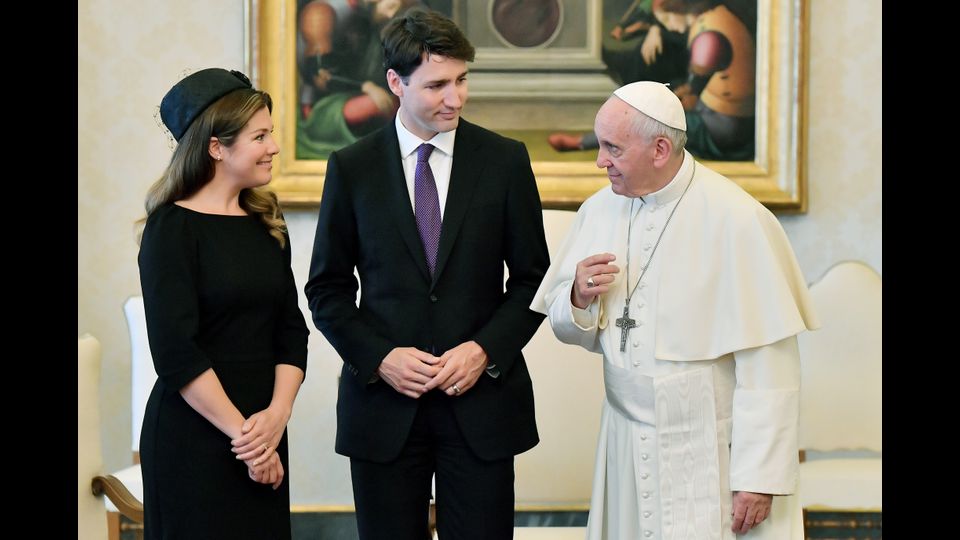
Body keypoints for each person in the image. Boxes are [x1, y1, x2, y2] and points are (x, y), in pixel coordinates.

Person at [531, 81, 818, 540]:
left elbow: (772, 368)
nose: (599, 160)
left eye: (613, 148)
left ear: (660, 148)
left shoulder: (737, 218)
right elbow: (568, 328)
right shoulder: (599, 210)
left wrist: (758, 479)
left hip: (709, 446)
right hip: (625, 437)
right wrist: (577, 298)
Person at [304, 8, 550, 540]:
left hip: (481, 406)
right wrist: (379, 358)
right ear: (396, 82)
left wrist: (484, 350)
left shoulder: (504, 160)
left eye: (462, 80)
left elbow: (534, 279)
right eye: (437, 84)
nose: (455, 98)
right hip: (384, 408)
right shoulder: (351, 168)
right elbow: (326, 290)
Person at [137, 67, 309, 539]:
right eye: (260, 136)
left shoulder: (266, 221)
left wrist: (277, 417)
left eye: (270, 134)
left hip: (263, 430)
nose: (273, 146)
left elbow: (291, 332)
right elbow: (176, 353)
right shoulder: (171, 229)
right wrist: (249, 442)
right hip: (197, 438)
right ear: (217, 147)